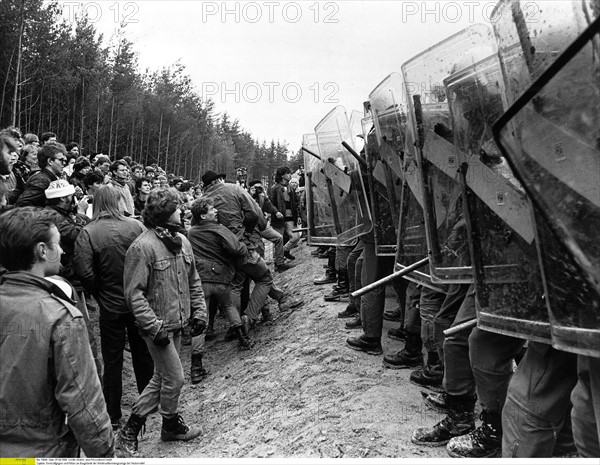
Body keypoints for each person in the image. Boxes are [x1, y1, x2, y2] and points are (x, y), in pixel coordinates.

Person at [0, 207, 114, 457]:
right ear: (42, 250)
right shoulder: (61, 317)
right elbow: (83, 403)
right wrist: (105, 454)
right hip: (42, 451)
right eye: (58, 244)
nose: (62, 251)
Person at [116, 187, 206, 456]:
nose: (183, 210)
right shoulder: (142, 247)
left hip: (178, 323)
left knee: (163, 377)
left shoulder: (182, 241)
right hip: (157, 327)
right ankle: (131, 429)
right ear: (166, 214)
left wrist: (199, 312)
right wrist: (154, 328)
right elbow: (134, 295)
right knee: (175, 378)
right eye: (179, 207)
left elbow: (194, 281)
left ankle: (168, 427)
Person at [74, 186, 154, 430]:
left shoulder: (87, 233)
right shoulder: (136, 226)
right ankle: (148, 405)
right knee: (143, 355)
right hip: (138, 302)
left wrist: (100, 292)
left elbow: (83, 272)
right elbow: (151, 258)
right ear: (118, 201)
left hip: (110, 306)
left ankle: (113, 413)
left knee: (113, 360)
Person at [201, 170, 302, 331]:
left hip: (218, 252)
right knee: (264, 276)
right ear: (219, 180)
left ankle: (279, 300)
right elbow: (254, 213)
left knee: (236, 283)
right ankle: (248, 317)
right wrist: (247, 231)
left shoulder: (202, 201)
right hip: (240, 244)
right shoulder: (233, 189)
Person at [187, 197, 252, 383]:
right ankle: (243, 339)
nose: (215, 211)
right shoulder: (218, 229)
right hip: (220, 278)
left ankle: (196, 366)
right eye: (211, 209)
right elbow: (234, 248)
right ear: (203, 215)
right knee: (229, 306)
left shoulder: (191, 232)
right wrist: (243, 247)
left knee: (201, 319)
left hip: (200, 279)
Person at [16, 142, 66, 207]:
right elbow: (23, 203)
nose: (64, 163)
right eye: (61, 160)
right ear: (50, 161)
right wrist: (45, 213)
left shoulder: (48, 178)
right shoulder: (41, 180)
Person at [269, 166, 300, 261]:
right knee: (279, 240)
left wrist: (297, 215)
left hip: (291, 217)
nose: (290, 175)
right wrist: (276, 212)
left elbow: (295, 203)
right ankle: (278, 263)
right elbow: (270, 203)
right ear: (282, 175)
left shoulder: (290, 188)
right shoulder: (274, 188)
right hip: (279, 218)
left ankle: (283, 252)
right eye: (288, 173)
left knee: (296, 237)